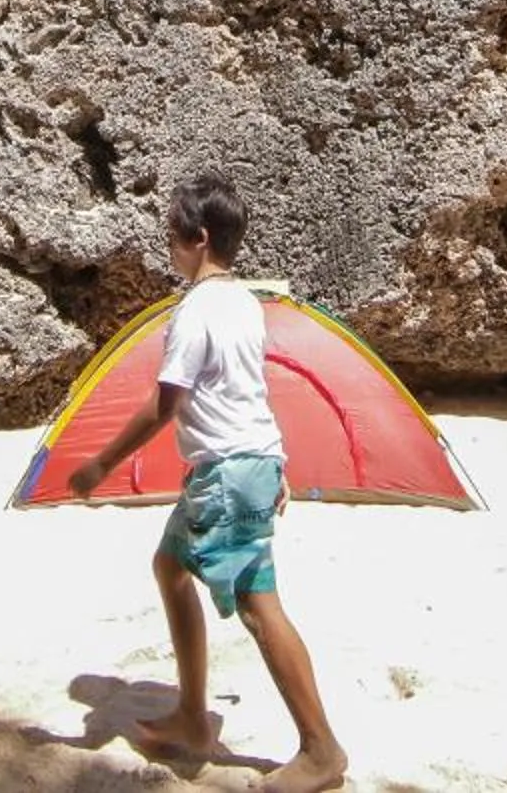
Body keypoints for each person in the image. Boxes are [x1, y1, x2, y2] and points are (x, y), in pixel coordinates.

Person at [66, 173, 349, 793]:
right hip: (241, 466)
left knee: (258, 606)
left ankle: (321, 750)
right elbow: (248, 389)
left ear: (197, 238)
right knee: (169, 566)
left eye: (171, 236)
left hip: (227, 472)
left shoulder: (194, 312)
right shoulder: (246, 303)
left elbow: (166, 404)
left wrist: (99, 464)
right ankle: (193, 718)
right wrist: (277, 462)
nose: (167, 247)